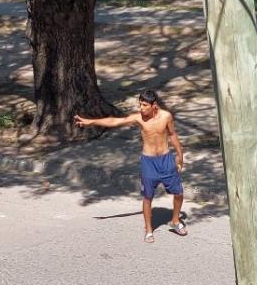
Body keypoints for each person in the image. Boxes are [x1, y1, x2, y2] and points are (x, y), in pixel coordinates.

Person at [74, 90, 187, 243]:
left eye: (144, 105)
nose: (141, 108)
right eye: (140, 104)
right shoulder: (138, 118)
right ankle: (148, 229)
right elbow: (115, 121)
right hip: (149, 162)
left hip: (166, 159)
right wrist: (91, 122)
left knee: (179, 193)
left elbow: (172, 134)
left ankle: (175, 221)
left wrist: (180, 155)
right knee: (148, 197)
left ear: (154, 105)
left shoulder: (166, 116)